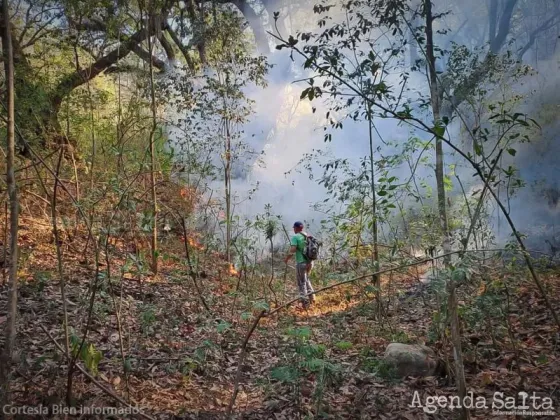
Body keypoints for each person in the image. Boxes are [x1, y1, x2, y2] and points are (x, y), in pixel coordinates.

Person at [284, 221, 315, 308]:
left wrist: (287, 258)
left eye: (294, 228)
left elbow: (293, 249)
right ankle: (312, 298)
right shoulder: (307, 235)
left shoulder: (295, 237)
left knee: (301, 283)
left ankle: (305, 303)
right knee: (306, 279)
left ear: (296, 228)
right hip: (310, 262)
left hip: (301, 263)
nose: (293, 229)